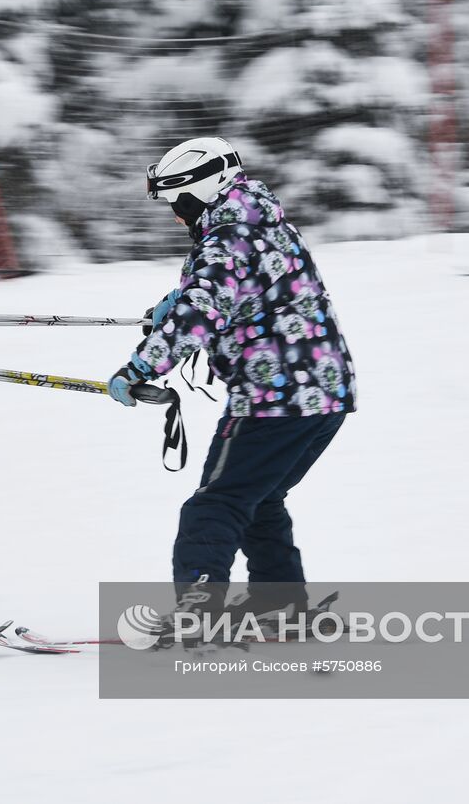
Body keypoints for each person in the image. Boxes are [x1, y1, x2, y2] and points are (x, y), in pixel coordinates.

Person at [108, 137, 357, 634]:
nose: (178, 217)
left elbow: (201, 312)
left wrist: (138, 370)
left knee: (216, 505)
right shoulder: (265, 221)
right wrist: (176, 300)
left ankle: (199, 612)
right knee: (258, 499)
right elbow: (239, 289)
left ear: (201, 191)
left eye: (179, 204)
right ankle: (281, 609)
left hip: (273, 400)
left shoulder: (224, 239)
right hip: (325, 395)